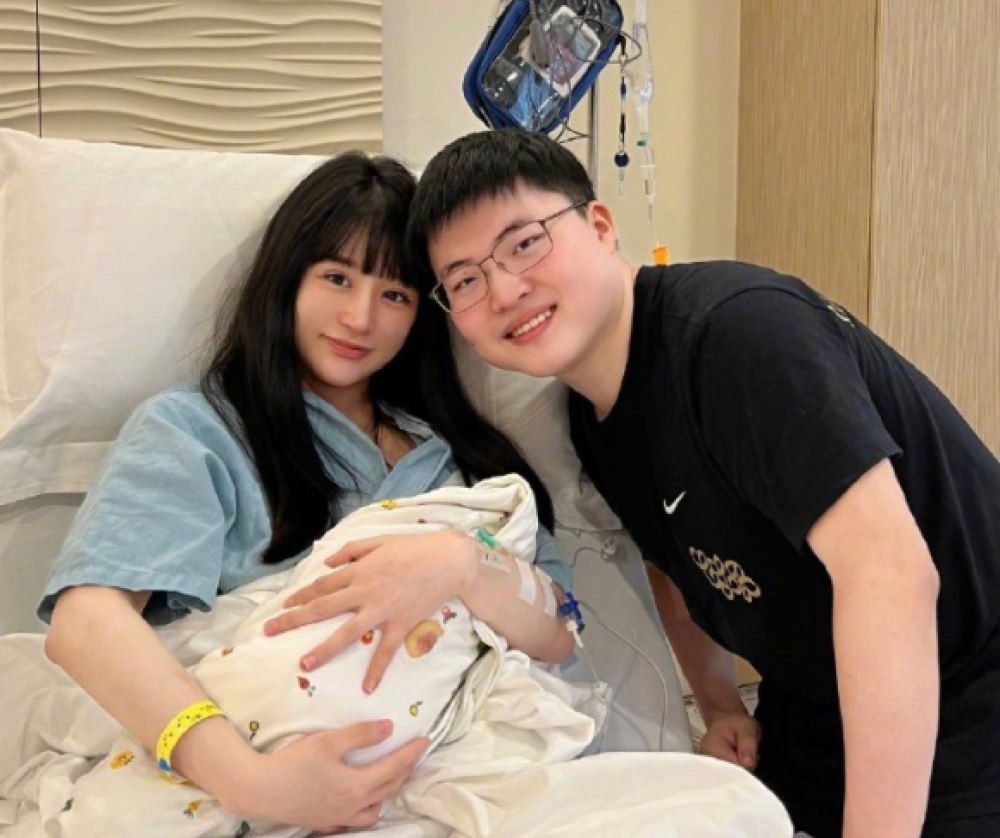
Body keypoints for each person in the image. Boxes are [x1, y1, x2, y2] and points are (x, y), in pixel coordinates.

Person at [402, 127, 1000, 838]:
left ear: (600, 226)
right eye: (465, 281)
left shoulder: (739, 336)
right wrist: (718, 703)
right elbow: (673, 560)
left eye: (525, 242)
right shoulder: (593, 416)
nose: (505, 290)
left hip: (969, 690)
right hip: (815, 707)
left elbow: (891, 576)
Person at [38, 151, 573, 834]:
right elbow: (86, 622)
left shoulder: (459, 458)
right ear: (287, 277)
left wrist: (464, 565)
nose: (360, 317)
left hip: (450, 774)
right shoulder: (198, 430)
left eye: (395, 294)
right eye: (336, 278)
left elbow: (560, 631)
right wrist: (255, 784)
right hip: (252, 782)